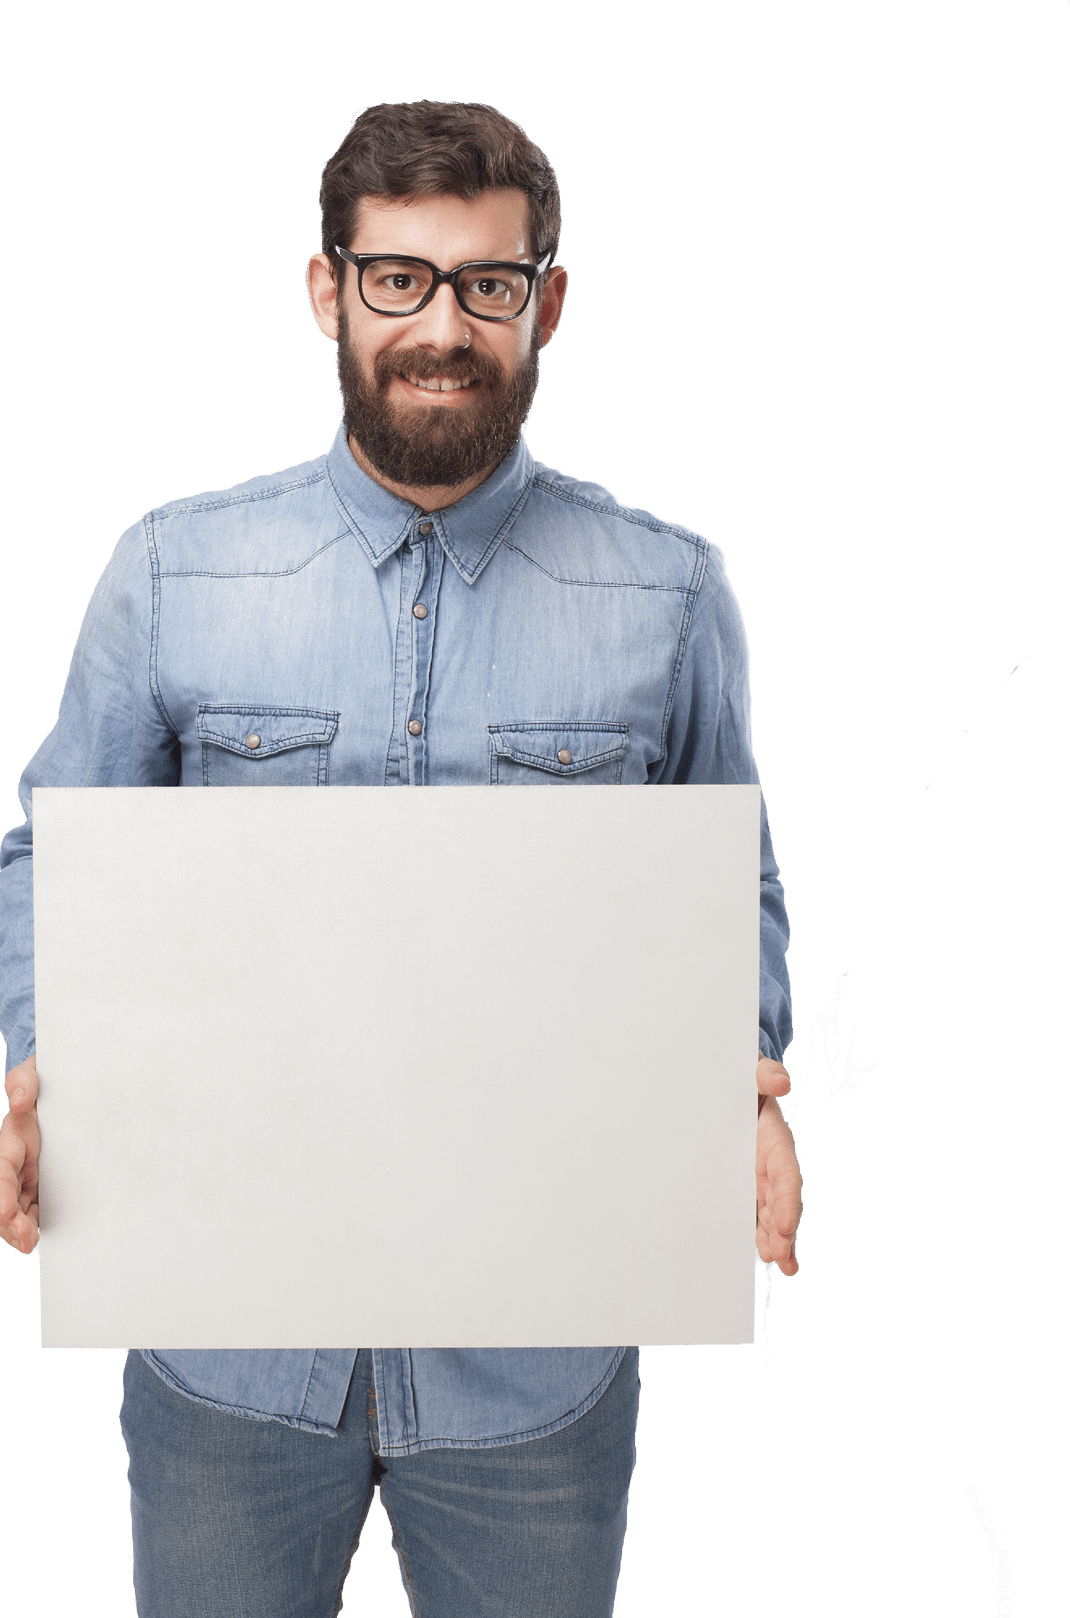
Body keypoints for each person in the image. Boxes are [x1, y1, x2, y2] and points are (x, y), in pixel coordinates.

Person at [0, 98, 803, 1618]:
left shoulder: (669, 589)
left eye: (486, 283)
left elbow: (729, 884)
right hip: (226, 1348)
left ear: (545, 299)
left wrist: (739, 1075)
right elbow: (52, 850)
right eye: (398, 279)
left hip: (534, 1367)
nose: (441, 326)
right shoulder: (173, 568)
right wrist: (46, 1063)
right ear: (328, 288)